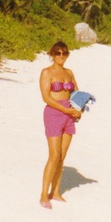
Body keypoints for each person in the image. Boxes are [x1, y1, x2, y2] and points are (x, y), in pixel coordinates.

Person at [39, 40, 81, 209]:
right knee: (54, 155)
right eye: (57, 53)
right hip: (54, 113)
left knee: (62, 156)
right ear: (52, 54)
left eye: (64, 53)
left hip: (69, 114)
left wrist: (79, 110)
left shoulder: (69, 73)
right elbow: (46, 97)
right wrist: (66, 111)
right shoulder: (46, 73)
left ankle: (55, 192)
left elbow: (77, 94)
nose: (61, 56)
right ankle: (43, 194)